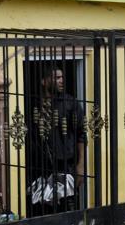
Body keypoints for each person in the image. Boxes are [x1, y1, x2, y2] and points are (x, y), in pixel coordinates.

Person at [28, 65, 86, 216]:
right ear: (44, 81)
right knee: (43, 206)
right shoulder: (34, 104)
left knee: (67, 206)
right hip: (41, 166)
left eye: (62, 77)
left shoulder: (70, 103)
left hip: (66, 164)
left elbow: (81, 134)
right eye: (57, 78)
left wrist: (80, 165)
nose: (61, 81)